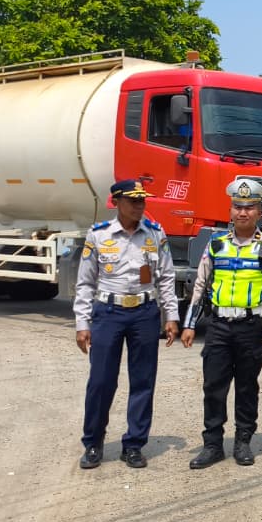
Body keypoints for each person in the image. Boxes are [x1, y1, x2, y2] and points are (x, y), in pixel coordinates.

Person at [181, 178, 262, 468]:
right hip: (218, 326)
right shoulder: (216, 245)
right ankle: (212, 445)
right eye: (238, 207)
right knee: (213, 386)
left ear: (259, 212)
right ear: (231, 211)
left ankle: (243, 441)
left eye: (250, 207)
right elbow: (201, 284)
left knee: (246, 386)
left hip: (251, 327)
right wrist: (190, 324)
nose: (243, 213)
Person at [74, 179, 180, 470]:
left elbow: (166, 278)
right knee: (101, 381)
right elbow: (84, 283)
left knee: (143, 381)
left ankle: (134, 444)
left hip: (145, 313)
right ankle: (93, 443)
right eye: (133, 201)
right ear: (116, 202)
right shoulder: (98, 235)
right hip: (108, 312)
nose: (139, 206)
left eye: (142, 200)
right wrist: (82, 323)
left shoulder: (155, 234)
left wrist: (171, 316)